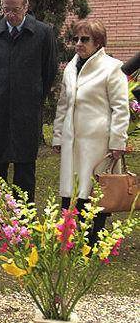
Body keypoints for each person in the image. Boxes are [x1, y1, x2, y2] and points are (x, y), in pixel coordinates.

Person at [0, 0, 57, 244]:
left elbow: (49, 73)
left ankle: (23, 223)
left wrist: (32, 96)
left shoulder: (43, 34)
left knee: (25, 168)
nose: (10, 15)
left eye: (15, 10)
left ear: (26, 7)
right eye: (6, 10)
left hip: (26, 112)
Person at [52, 19, 129, 246]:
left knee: (95, 191)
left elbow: (120, 108)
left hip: (98, 142)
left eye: (84, 39)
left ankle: (94, 237)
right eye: (75, 39)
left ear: (98, 42)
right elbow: (63, 105)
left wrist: (117, 142)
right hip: (71, 140)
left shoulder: (112, 68)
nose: (78, 43)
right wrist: (58, 135)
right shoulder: (70, 68)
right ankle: (70, 236)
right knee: (71, 190)